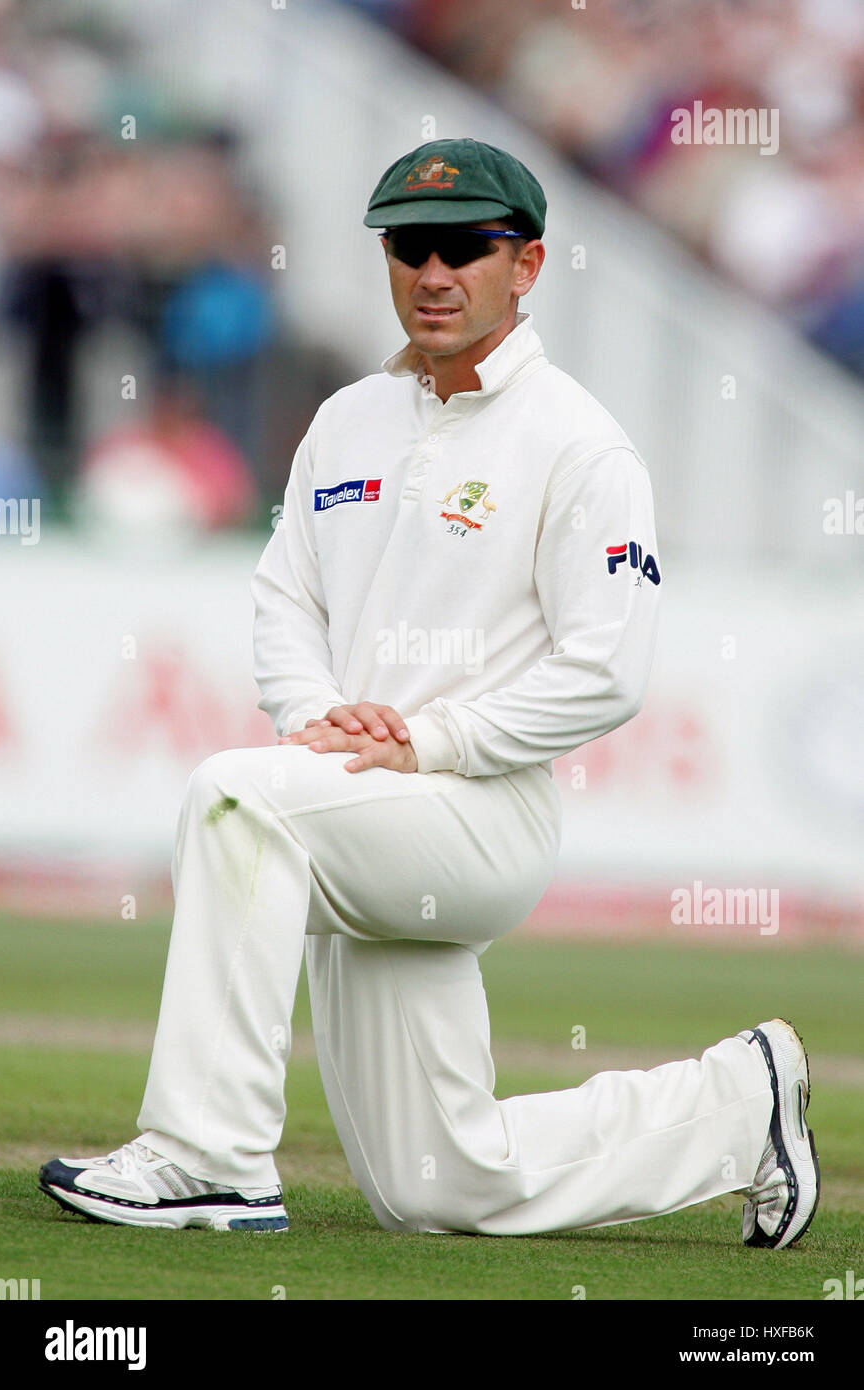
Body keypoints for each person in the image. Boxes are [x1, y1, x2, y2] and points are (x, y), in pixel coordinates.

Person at [39, 138, 818, 1248]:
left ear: (528, 263)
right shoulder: (346, 419)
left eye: (466, 247)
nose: (434, 272)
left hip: (479, 812)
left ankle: (208, 1157)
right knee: (437, 1183)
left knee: (231, 798)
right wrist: (316, 719)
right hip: (350, 802)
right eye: (410, 246)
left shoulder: (579, 444)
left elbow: (607, 669)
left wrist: (432, 740)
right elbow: (283, 601)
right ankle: (739, 1105)